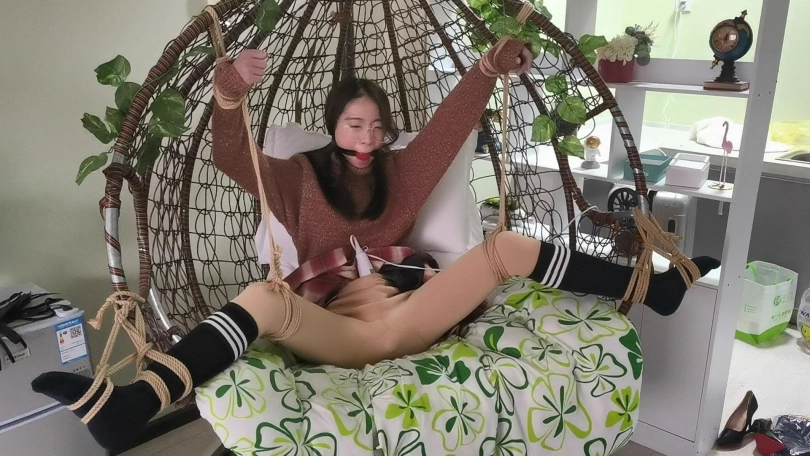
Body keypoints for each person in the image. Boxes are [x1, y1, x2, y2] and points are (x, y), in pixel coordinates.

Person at [31, 38, 720, 451]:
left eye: (376, 127)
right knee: (263, 297)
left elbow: (449, 128)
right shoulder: (296, 178)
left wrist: (488, 66)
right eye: (353, 125)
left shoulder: (402, 173)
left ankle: (652, 288)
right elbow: (232, 156)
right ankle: (132, 407)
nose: (366, 138)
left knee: (507, 245)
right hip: (341, 333)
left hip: (415, 318)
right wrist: (229, 93)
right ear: (333, 126)